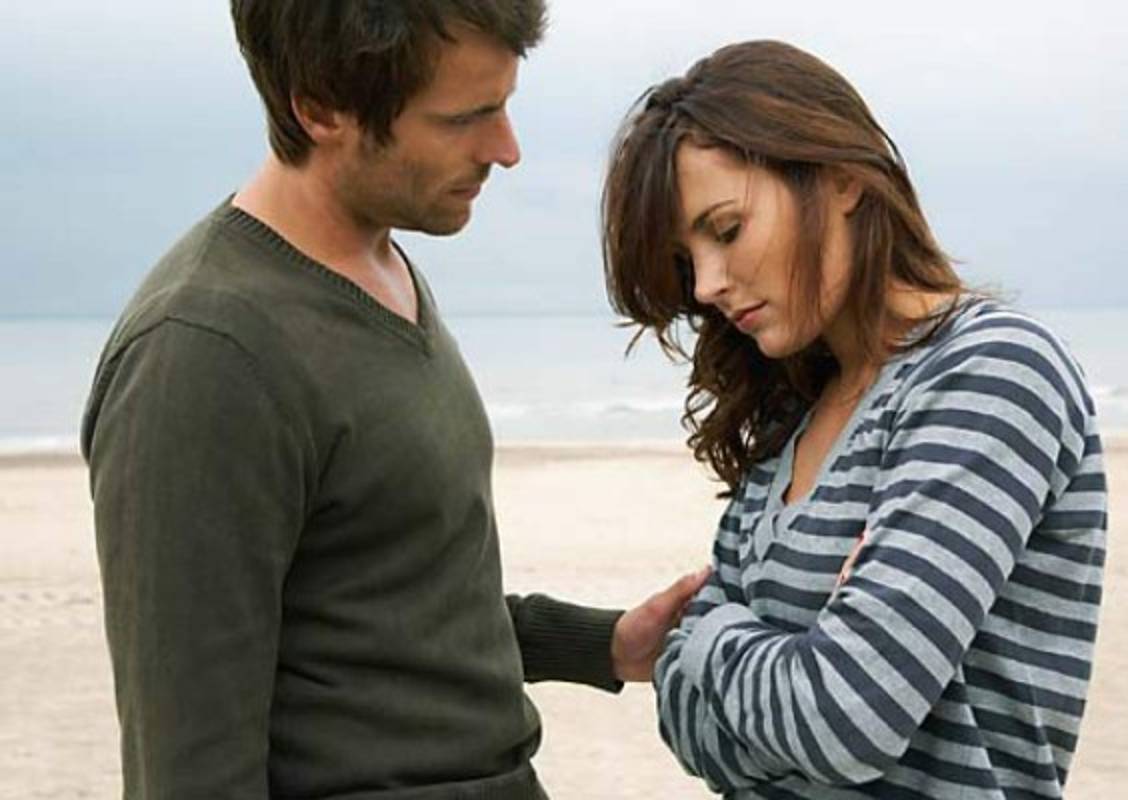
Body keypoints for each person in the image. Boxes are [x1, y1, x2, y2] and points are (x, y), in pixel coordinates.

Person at [80, 2, 707, 798]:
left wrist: (604, 643)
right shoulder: (205, 353)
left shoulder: (383, 267)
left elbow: (393, 605)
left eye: (504, 105)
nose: (507, 149)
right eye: (465, 118)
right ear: (320, 108)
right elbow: (188, 767)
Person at [602, 40, 1107, 799]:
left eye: (727, 229)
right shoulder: (792, 412)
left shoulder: (992, 368)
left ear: (841, 178)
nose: (705, 285)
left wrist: (704, 634)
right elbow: (687, 727)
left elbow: (849, 719)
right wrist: (795, 675)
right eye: (686, 259)